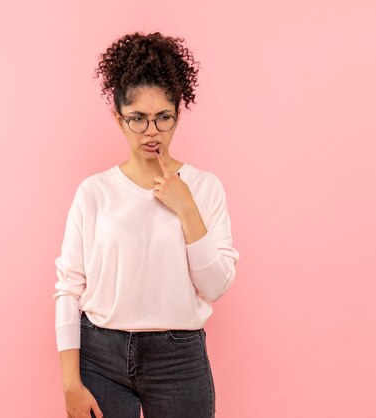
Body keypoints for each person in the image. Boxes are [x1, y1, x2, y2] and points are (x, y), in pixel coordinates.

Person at [53, 31, 240, 418]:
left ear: (178, 114)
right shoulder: (94, 193)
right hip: (100, 357)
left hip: (179, 360)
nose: (151, 132)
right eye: (137, 118)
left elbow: (215, 285)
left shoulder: (204, 188)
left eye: (163, 118)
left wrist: (186, 206)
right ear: (118, 119)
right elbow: (69, 288)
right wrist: (71, 383)